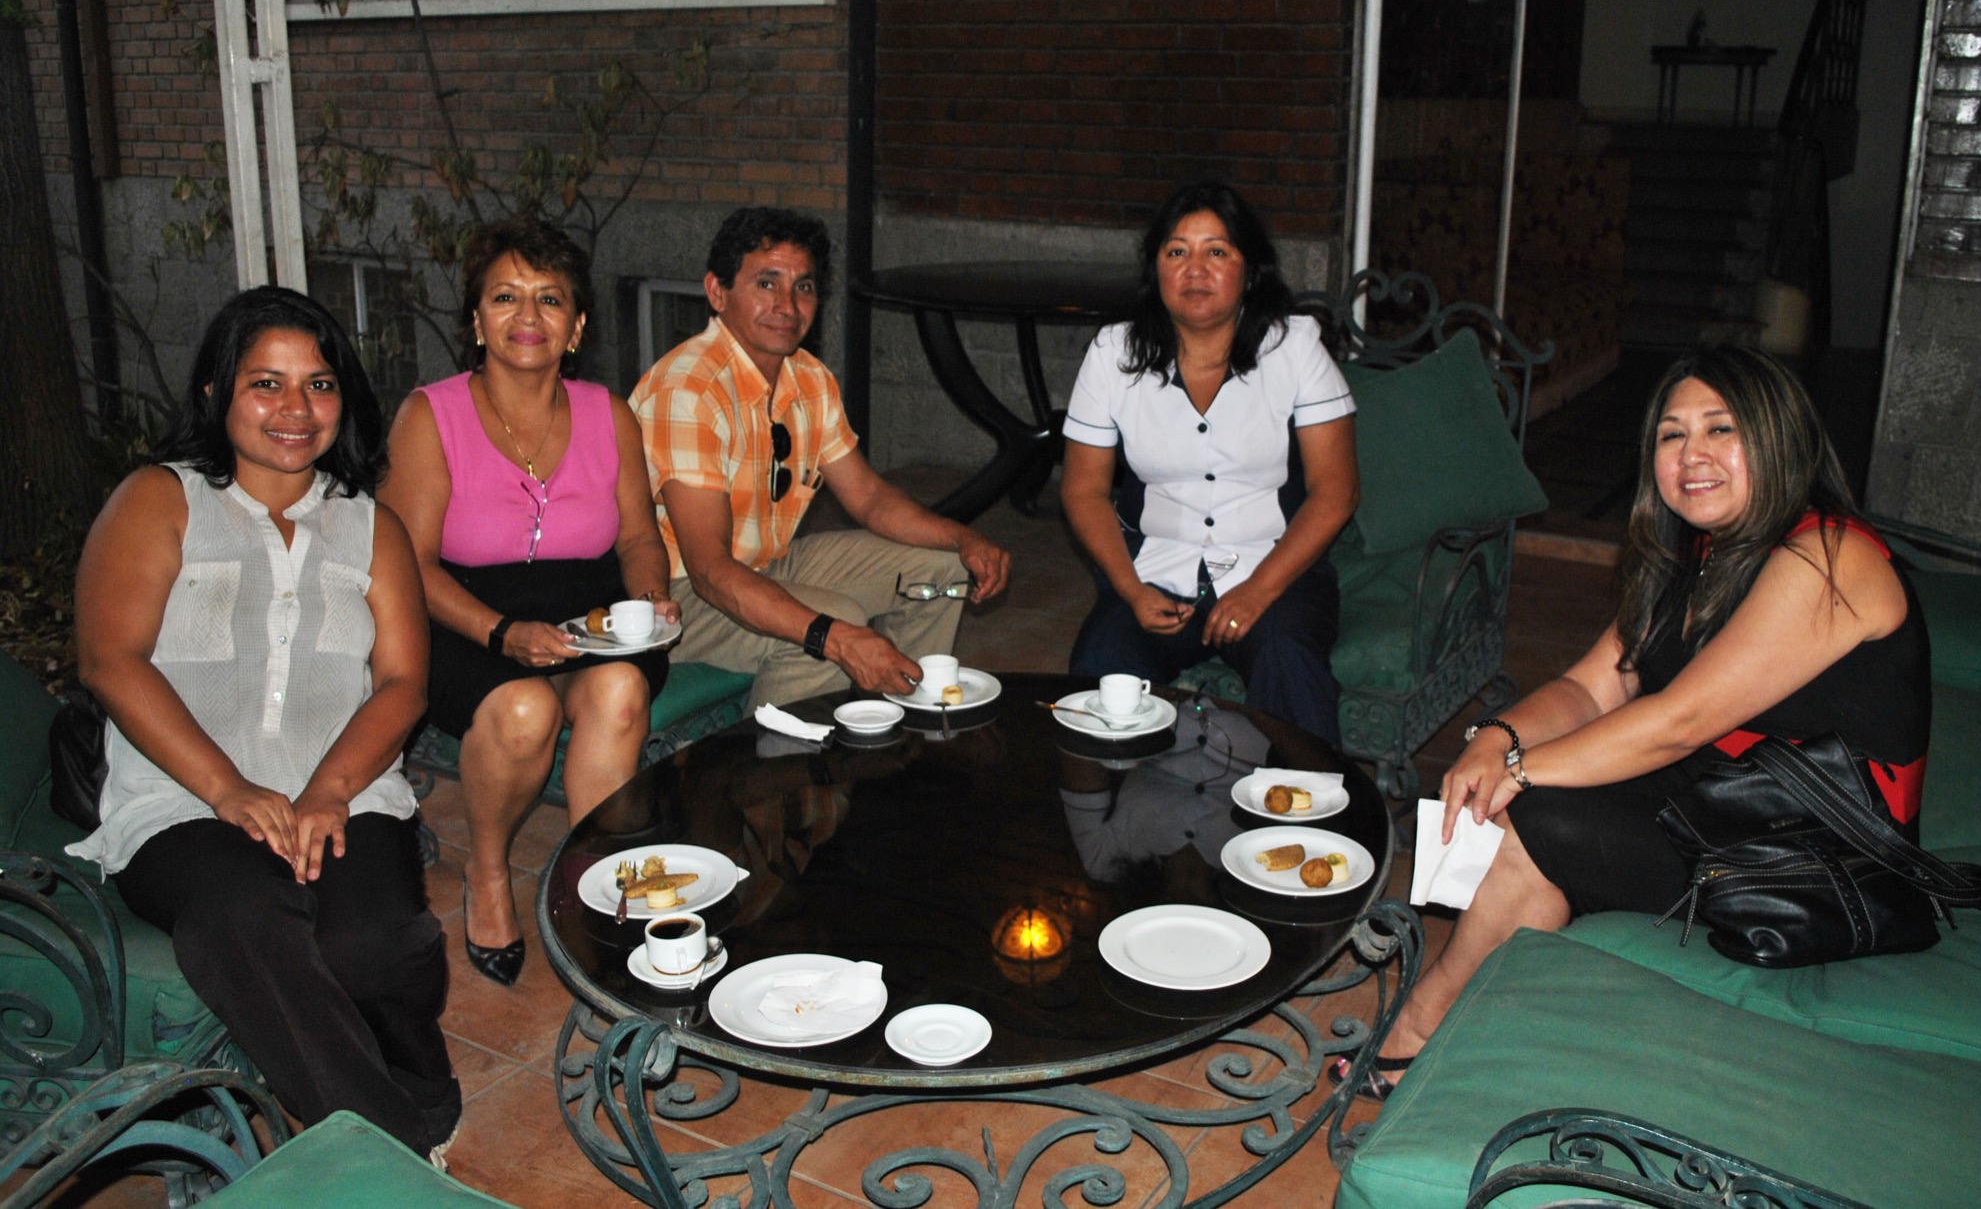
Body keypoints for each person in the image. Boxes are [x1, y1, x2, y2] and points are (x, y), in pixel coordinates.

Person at [1369, 345, 1930, 1097]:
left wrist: (1519, 771)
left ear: (1781, 437)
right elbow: (1591, 686)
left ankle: (1421, 1026)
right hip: (1725, 800)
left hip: (1817, 855)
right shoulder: (1698, 553)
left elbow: (1678, 721)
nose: (1692, 455)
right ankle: (1482, 1031)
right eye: (1672, 435)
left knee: (1540, 815)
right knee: (1523, 803)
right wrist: (1497, 739)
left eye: (1721, 429)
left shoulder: (1828, 557)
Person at [66, 287, 460, 1159]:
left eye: (318, 384)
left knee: (372, 943)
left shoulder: (371, 526)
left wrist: (328, 790)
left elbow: (402, 684)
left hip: (345, 788)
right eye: (266, 383)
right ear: (216, 392)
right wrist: (230, 791)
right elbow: (110, 660)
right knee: (245, 913)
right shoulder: (159, 499)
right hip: (182, 802)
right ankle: (390, 1154)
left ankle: (425, 1091)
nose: (295, 408)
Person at [382, 217, 676, 987]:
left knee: (618, 689)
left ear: (575, 327)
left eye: (550, 299)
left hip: (592, 625)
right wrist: (502, 632)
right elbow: (407, 564)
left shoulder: (609, 413)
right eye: (505, 296)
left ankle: (598, 887)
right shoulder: (430, 416)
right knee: (523, 710)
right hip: (463, 624)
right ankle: (488, 872)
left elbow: (639, 538)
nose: (528, 316)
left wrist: (651, 601)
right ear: (476, 320)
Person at [631, 206, 1011, 709]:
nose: (788, 305)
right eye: (767, 283)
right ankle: (778, 752)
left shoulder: (809, 378)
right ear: (717, 292)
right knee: (831, 628)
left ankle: (909, 724)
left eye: (804, 287)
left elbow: (869, 497)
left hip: (767, 568)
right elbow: (709, 571)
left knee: (941, 573)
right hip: (680, 600)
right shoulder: (688, 389)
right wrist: (833, 637)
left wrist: (962, 538)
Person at [1061, 180, 1360, 746]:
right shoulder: (1114, 354)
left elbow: (1335, 492)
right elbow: (1083, 491)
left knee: (1289, 661)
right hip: (1155, 569)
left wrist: (1258, 591)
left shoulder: (1294, 349)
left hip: (1272, 570)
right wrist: (1130, 590)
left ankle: (1310, 798)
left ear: (1250, 270)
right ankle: (1114, 797)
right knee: (1101, 668)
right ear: (1156, 267)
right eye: (1177, 251)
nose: (1194, 269)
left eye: (1216, 251)